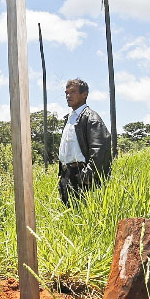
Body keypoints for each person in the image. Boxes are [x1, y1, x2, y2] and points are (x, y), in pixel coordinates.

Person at [57, 78, 112, 206]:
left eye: (73, 92)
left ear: (84, 94)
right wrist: (62, 174)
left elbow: (100, 150)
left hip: (82, 176)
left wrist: (87, 177)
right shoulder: (70, 119)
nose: (68, 96)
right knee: (68, 217)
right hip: (67, 176)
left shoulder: (91, 118)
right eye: (66, 93)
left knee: (83, 216)